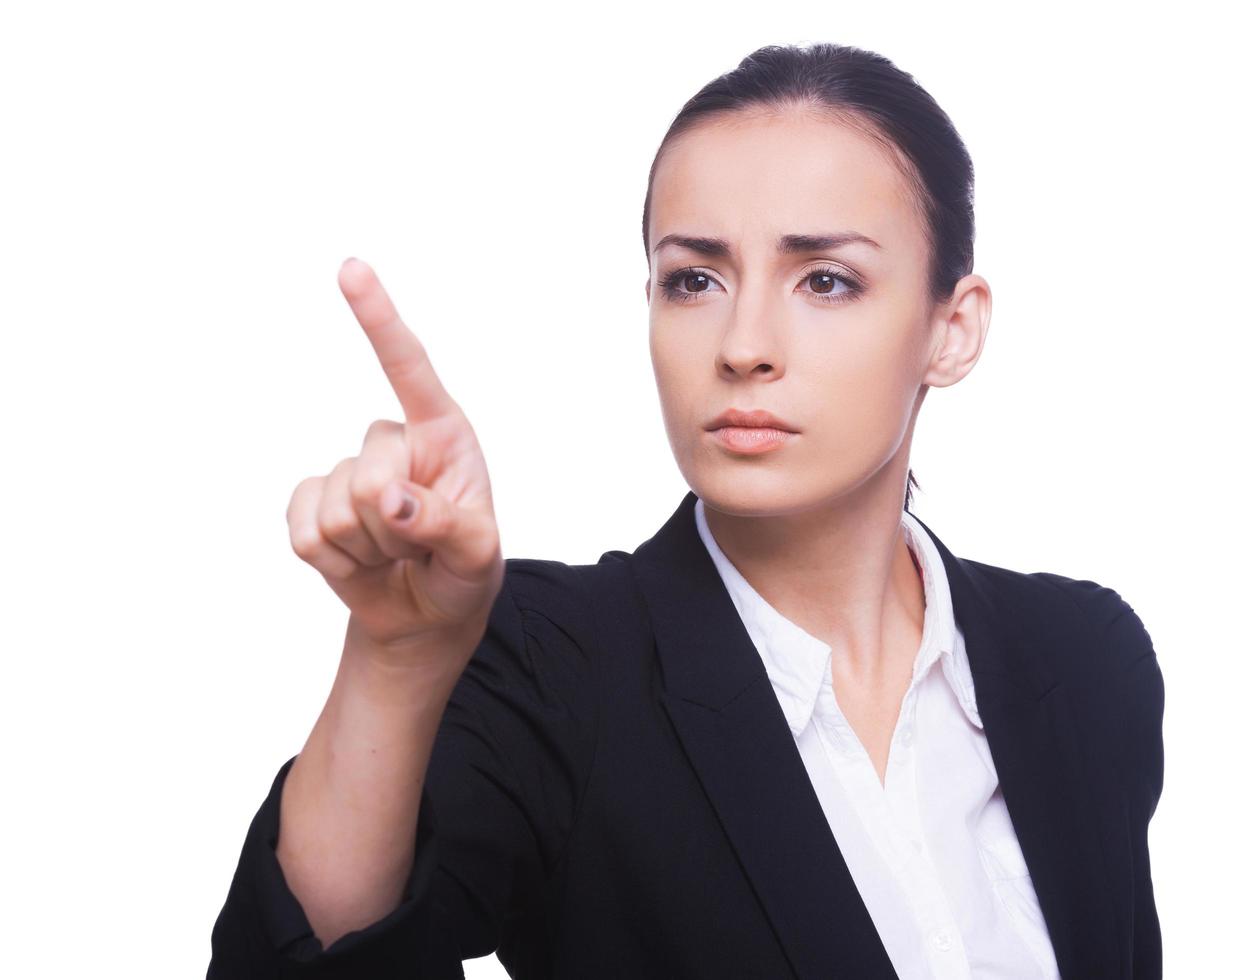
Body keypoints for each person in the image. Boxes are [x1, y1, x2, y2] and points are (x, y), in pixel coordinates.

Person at [206, 42, 1164, 980]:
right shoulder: (552, 664)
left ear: (950, 332)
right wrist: (395, 663)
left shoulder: (1082, 660)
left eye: (825, 279)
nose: (743, 344)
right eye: (693, 280)